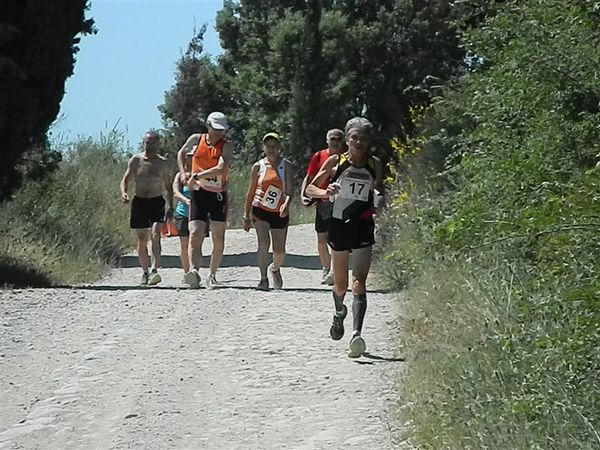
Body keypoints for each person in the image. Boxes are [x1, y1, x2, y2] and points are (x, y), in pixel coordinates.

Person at [305, 117, 384, 358]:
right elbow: (310, 189)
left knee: (358, 282)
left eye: (363, 138)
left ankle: (356, 335)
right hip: (339, 226)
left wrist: (380, 198)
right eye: (354, 138)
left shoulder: (374, 164)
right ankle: (339, 312)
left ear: (369, 141)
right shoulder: (335, 161)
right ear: (347, 140)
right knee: (340, 285)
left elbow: (378, 189)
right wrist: (324, 191)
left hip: (362, 226)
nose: (359, 142)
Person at [176, 111, 233, 289]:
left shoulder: (226, 145)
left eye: (221, 130)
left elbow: (221, 168)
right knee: (195, 232)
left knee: (218, 235)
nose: (219, 133)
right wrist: (184, 173)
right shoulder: (196, 139)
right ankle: (194, 271)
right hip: (198, 193)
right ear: (208, 126)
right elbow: (181, 153)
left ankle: (213, 273)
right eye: (216, 129)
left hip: (217, 194)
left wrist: (198, 174)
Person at [120, 131, 174, 285]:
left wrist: (171, 207)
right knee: (142, 239)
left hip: (156, 202)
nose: (148, 145)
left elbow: (168, 187)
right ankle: (145, 272)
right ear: (142, 143)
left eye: (151, 142)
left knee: (156, 235)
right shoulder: (136, 160)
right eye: (146, 142)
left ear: (157, 144)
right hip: (140, 202)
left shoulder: (162, 163)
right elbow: (125, 179)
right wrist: (124, 193)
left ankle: (155, 270)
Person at [243, 132, 293, 290]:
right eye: (268, 146)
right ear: (263, 147)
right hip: (260, 209)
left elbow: (290, 189)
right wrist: (246, 215)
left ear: (279, 147)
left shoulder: (287, 165)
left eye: (274, 146)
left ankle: (275, 269)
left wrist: (286, 203)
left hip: (280, 211)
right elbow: (250, 191)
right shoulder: (258, 167)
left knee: (279, 251)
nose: (271, 149)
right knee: (264, 243)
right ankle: (263, 278)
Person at [301, 128, 345, 285]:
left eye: (338, 139)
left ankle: (333, 270)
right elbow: (310, 177)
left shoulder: (347, 159)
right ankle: (326, 267)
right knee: (321, 238)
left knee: (335, 237)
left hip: (340, 202)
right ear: (327, 140)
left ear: (343, 141)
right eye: (332, 138)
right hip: (322, 202)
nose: (335, 141)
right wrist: (305, 196)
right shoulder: (319, 156)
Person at [172, 154, 192, 276]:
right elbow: (175, 191)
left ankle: (195, 270)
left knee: (195, 244)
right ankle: (186, 272)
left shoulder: (201, 173)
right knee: (184, 244)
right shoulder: (180, 175)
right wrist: (185, 200)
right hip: (182, 213)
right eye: (188, 156)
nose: (191, 158)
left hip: (198, 213)